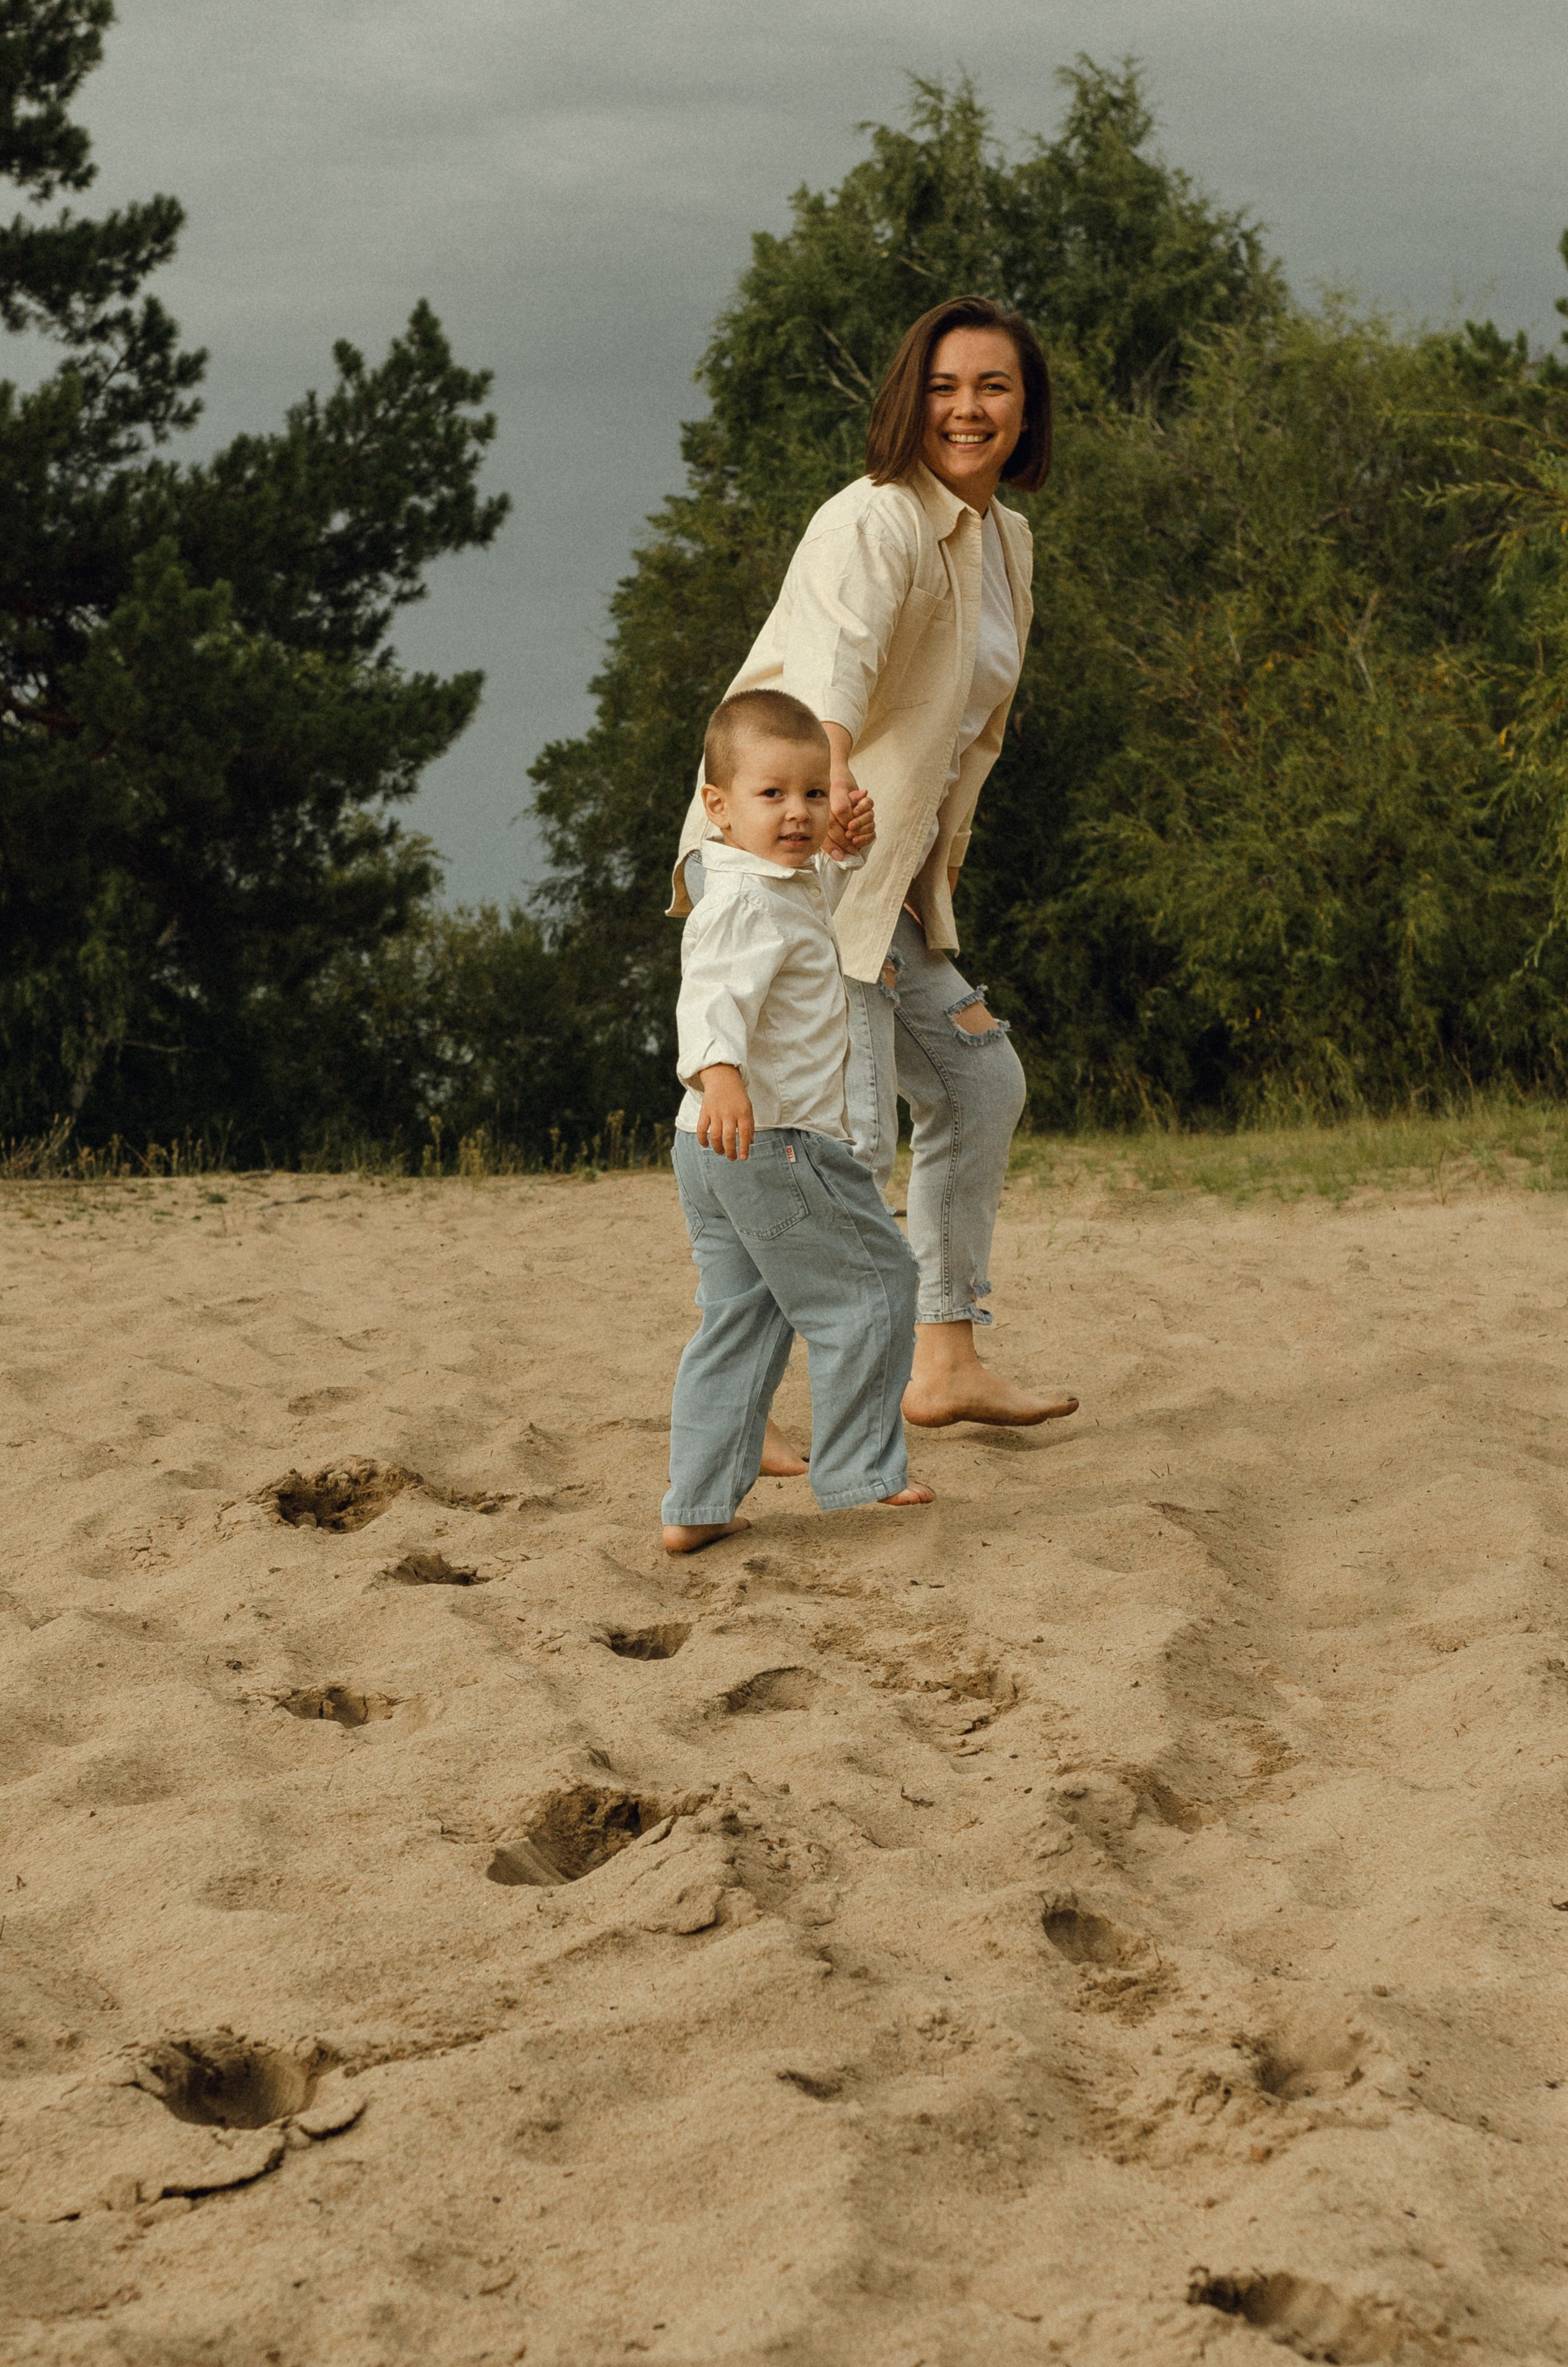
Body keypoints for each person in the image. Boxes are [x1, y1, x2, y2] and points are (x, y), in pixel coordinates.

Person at [670, 294, 1078, 1464]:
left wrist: (906, 867)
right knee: (821, 1129)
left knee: (976, 1081)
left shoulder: (1007, 541)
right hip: (790, 847)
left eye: (994, 387)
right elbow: (831, 669)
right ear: (912, 397)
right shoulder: (876, 519)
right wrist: (834, 794)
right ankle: (749, 1418)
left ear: (1025, 408)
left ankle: (943, 1364)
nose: (969, 409)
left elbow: (963, 733)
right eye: (947, 387)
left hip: (879, 868)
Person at [663, 686, 933, 1554]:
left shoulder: (776, 879)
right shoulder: (740, 903)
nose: (798, 813)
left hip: (707, 1148)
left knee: (741, 1317)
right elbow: (709, 994)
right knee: (878, 1285)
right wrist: (723, 1076)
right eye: (771, 795)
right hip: (767, 1139)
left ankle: (697, 1504)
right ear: (718, 807)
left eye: (814, 795)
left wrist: (845, 851)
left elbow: (811, 886)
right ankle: (859, 1474)